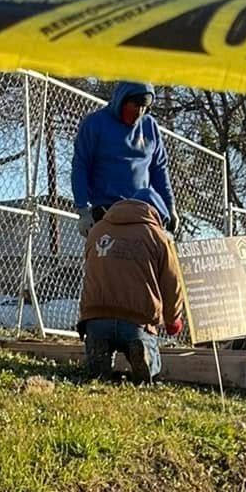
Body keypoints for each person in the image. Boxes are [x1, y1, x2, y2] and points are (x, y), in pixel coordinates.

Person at [78, 199, 186, 383]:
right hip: (136, 321)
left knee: (100, 339)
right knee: (150, 365)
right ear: (156, 213)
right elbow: (173, 284)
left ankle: (99, 352)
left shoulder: (96, 231)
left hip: (95, 317)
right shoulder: (158, 237)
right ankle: (143, 355)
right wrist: (172, 319)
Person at [71, 82, 179, 234]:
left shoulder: (150, 126)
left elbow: (159, 170)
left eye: (145, 107)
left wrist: (169, 206)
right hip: (107, 211)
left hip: (142, 210)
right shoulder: (96, 124)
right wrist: (82, 210)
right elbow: (80, 166)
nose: (139, 111)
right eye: (136, 105)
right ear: (122, 100)